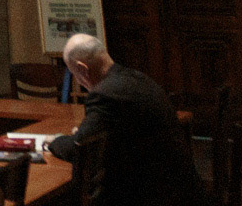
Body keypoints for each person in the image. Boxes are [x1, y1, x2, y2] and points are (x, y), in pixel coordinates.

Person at [46, 34, 205, 206]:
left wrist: (55, 141)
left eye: (74, 74)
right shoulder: (137, 78)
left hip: (149, 196)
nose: (78, 80)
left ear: (82, 69)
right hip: (180, 189)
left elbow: (81, 150)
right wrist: (88, 134)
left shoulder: (104, 95)